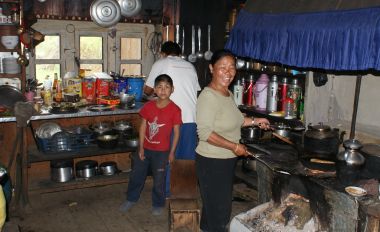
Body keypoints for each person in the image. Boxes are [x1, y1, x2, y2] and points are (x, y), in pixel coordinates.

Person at [195, 49, 270, 231]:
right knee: (219, 212)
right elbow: (205, 133)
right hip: (212, 162)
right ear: (212, 68)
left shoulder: (227, 94)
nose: (228, 72)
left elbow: (234, 120)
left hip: (225, 161)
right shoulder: (208, 96)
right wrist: (234, 146)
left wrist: (255, 120)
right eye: (223, 67)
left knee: (212, 209)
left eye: (232, 68)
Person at [120, 74, 182, 216]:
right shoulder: (148, 106)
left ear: (172, 89)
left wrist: (172, 153)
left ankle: (158, 203)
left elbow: (177, 133)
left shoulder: (175, 109)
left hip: (162, 152)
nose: (163, 90)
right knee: (136, 175)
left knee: (159, 180)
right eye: (159, 87)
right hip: (145, 149)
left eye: (167, 87)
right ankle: (131, 199)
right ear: (154, 89)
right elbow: (143, 127)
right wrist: (140, 148)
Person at [144, 41, 200, 196]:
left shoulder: (161, 63)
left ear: (163, 53)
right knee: (187, 158)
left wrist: (155, 93)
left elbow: (147, 90)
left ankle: (167, 193)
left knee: (167, 156)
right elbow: (193, 92)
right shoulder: (190, 66)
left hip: (170, 117)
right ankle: (185, 192)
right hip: (190, 118)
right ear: (180, 55)